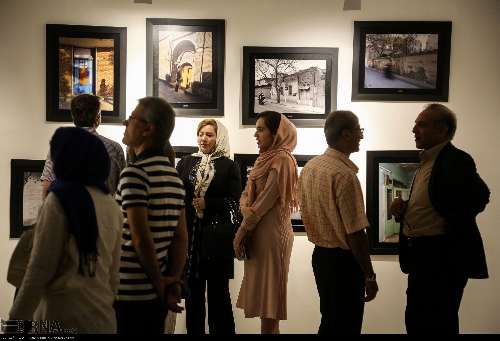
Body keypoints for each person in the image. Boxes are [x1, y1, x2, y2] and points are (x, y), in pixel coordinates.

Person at [9, 127, 123, 333]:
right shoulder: (112, 206)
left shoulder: (58, 201)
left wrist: (15, 322)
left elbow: (39, 269)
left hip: (61, 318)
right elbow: (113, 277)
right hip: (102, 319)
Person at [391, 103, 490, 334]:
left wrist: (449, 222)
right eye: (415, 124)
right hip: (421, 256)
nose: (414, 129)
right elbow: (432, 202)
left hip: (442, 257)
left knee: (438, 323)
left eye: (421, 124)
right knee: (416, 321)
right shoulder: (427, 161)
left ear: (443, 130)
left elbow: (480, 197)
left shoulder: (456, 160)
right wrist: (405, 210)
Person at [298, 110, 378, 335]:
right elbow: (355, 233)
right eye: (358, 131)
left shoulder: (311, 168)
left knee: (330, 321)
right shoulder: (344, 175)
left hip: (321, 257)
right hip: (344, 263)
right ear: (345, 135)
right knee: (347, 325)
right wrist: (369, 275)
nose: (361, 136)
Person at [114, 97, 188, 334]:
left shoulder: (134, 174)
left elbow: (140, 238)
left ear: (148, 128)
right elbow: (180, 238)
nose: (126, 122)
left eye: (132, 119)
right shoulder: (173, 177)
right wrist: (172, 280)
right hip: (156, 295)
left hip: (127, 293)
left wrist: (159, 286)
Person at [233, 111, 298, 334]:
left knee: (270, 307)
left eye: (261, 129)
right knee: (264, 304)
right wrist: (245, 211)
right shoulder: (263, 159)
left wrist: (241, 231)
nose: (256, 134)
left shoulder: (282, 160)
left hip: (273, 237)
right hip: (259, 234)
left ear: (276, 132)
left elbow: (264, 202)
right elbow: (245, 195)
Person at [176, 119, 242, 334]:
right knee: (193, 298)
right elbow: (178, 197)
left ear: (218, 137)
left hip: (217, 241)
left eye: (209, 134)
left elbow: (235, 202)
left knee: (219, 297)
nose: (203, 138)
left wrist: (209, 203)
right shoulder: (185, 163)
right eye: (201, 134)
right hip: (191, 240)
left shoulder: (228, 166)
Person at [41, 93, 126, 196]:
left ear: (73, 116)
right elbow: (123, 188)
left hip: (69, 210)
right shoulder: (115, 148)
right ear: (98, 116)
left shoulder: (60, 147)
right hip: (106, 210)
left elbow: (46, 186)